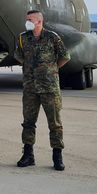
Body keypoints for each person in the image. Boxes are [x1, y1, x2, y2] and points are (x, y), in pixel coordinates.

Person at [14, 9, 69, 170]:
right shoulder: (23, 38)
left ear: (39, 21)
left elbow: (65, 56)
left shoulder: (52, 37)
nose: (27, 21)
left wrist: (52, 70)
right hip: (30, 87)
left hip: (49, 87)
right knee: (28, 123)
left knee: (55, 123)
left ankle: (57, 156)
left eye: (30, 19)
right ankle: (28, 155)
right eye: (27, 19)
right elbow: (19, 56)